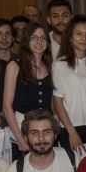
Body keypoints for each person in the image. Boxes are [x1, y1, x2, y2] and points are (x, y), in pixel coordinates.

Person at [4, 20, 58, 156]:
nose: (39, 41)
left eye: (43, 38)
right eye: (34, 37)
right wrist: (20, 139)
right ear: (26, 40)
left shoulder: (52, 68)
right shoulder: (14, 66)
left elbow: (54, 105)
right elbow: (7, 106)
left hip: (47, 131)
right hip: (22, 129)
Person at [45, 18, 86, 154]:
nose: (84, 38)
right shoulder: (59, 65)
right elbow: (57, 102)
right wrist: (72, 132)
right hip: (70, 127)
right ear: (70, 38)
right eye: (78, 34)